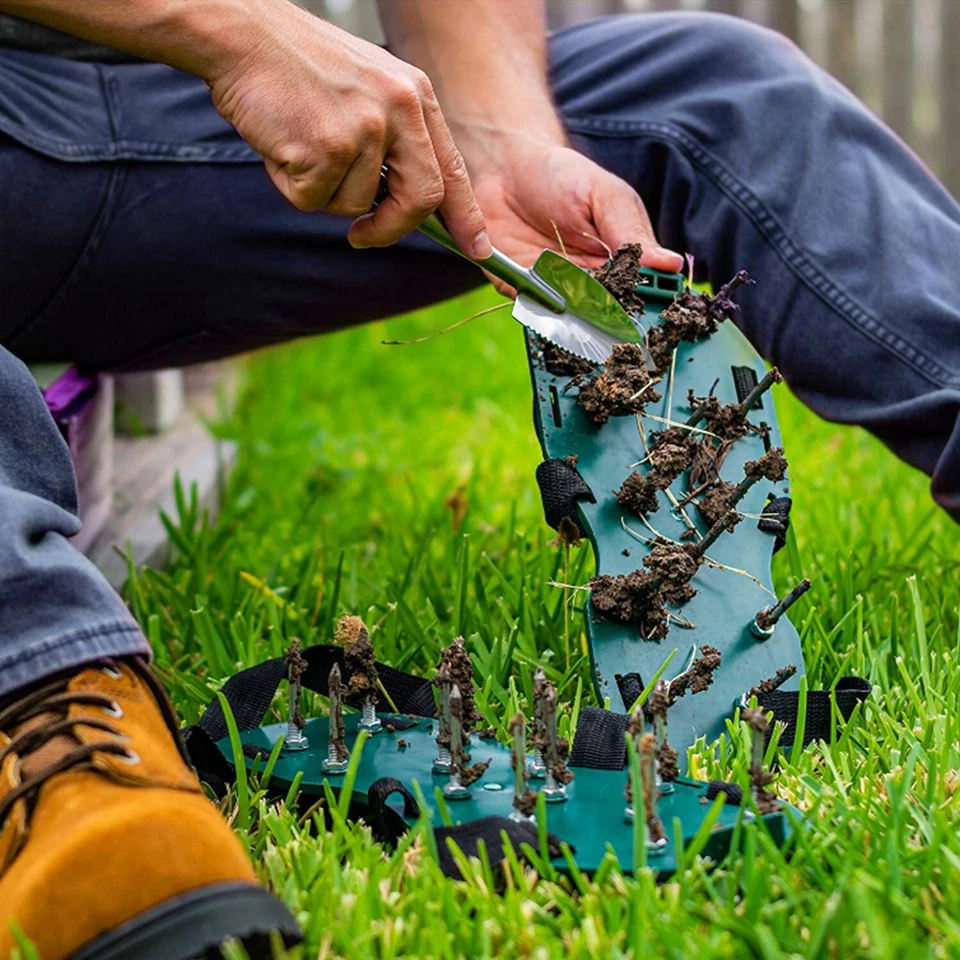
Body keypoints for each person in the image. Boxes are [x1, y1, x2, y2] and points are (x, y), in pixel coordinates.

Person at [0, 0, 958, 956]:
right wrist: (236, 32)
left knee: (718, 84)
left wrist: (503, 138)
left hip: (155, 127)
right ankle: (44, 696)